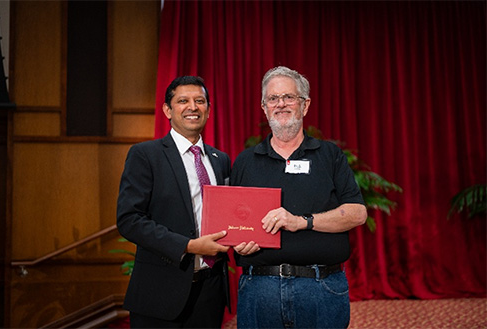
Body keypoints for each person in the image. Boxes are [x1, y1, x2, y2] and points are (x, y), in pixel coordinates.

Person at [231, 66, 367, 328]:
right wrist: (237, 242)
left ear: (305, 105)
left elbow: (358, 213)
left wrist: (300, 221)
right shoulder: (245, 161)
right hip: (259, 290)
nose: (280, 104)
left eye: (289, 97)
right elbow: (233, 221)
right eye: (273, 98)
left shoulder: (330, 156)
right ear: (264, 107)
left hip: (322, 288)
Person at [116, 76, 232, 328]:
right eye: (183, 101)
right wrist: (188, 246)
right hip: (159, 293)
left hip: (210, 292)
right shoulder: (146, 155)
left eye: (200, 101)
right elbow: (129, 220)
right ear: (168, 110)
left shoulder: (220, 159)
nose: (193, 107)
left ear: (208, 111)